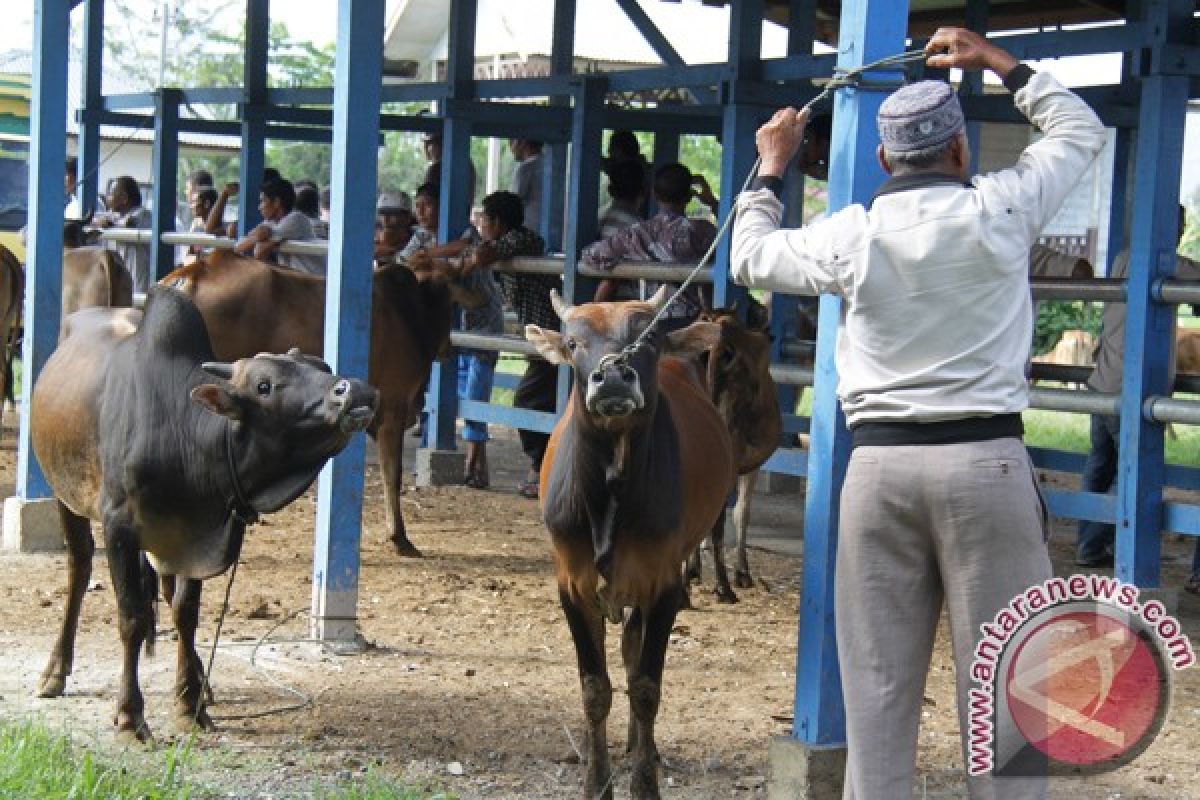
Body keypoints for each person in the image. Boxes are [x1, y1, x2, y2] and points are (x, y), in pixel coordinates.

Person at [731, 27, 1106, 799]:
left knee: (876, 692)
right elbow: (1079, 126)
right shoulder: (1003, 206)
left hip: (879, 475)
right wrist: (997, 60)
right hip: (987, 466)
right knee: (1008, 685)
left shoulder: (853, 234)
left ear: (881, 161)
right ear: (962, 153)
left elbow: (749, 256)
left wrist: (772, 165)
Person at [1079, 206, 1200, 573]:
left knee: (1100, 465)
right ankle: (1126, 550)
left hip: (1102, 381)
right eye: (1177, 226)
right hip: (1130, 389)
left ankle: (1089, 544)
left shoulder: (1122, 257)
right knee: (1130, 470)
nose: (1178, 233)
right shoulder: (1168, 263)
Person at [407, 189, 509, 489]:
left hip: (481, 325)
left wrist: (446, 279)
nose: (422, 211)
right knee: (439, 390)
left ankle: (474, 463)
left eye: (428, 205)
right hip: (446, 330)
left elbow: (476, 298)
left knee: (475, 391)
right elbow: (406, 262)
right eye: (419, 205)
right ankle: (432, 452)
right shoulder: (424, 239)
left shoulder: (473, 242)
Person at [454, 190, 550, 498]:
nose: (480, 224)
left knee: (527, 401)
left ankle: (541, 467)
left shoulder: (521, 241)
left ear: (498, 222)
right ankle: (542, 467)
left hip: (549, 336)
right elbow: (474, 248)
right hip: (537, 335)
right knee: (544, 401)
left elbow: (482, 255)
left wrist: (459, 268)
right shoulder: (503, 244)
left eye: (484, 219)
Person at [582, 162, 716, 321]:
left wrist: (623, 264)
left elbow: (590, 255)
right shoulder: (703, 231)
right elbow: (735, 242)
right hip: (694, 323)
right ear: (689, 196)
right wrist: (713, 203)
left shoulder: (637, 234)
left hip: (652, 322)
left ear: (654, 193)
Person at [234, 178, 325, 276]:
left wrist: (257, 237)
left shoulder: (296, 219)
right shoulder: (271, 223)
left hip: (314, 282)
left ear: (277, 202)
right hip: (296, 281)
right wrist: (257, 237)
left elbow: (259, 251)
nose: (259, 207)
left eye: (262, 201)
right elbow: (238, 247)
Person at [592, 158, 647, 302]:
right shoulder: (637, 226)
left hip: (596, 298)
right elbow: (611, 280)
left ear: (610, 190)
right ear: (643, 190)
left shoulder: (599, 216)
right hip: (620, 304)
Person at [94, 176, 153, 292]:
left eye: (110, 194)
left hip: (137, 281)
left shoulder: (143, 214)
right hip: (119, 280)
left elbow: (130, 222)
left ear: (124, 198)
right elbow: (96, 221)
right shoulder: (113, 215)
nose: (107, 198)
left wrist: (109, 223)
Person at [423, 132, 477, 209]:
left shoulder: (436, 169)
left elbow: (427, 200)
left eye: (429, 145)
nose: (428, 152)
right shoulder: (467, 163)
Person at [509, 139, 544, 232]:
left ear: (521, 142)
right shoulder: (550, 163)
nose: (510, 148)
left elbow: (512, 203)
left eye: (511, 142)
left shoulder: (526, 168)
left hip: (529, 230)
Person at [373, 191, 414, 265]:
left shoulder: (420, 237)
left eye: (392, 213)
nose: (385, 219)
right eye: (382, 213)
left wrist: (393, 252)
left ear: (407, 217)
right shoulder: (374, 241)